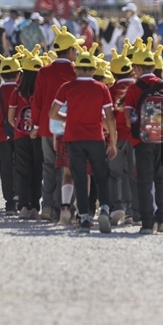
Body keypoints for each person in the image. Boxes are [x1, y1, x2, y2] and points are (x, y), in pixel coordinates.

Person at [49, 46, 117, 233]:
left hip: (74, 138)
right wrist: (113, 141)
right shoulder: (102, 88)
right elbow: (110, 117)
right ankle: (104, 208)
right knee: (101, 175)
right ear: (94, 70)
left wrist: (68, 118)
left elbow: (52, 113)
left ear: (76, 69)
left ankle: (84, 218)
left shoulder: (67, 87)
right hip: (96, 137)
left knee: (79, 177)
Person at [123, 41, 163, 233]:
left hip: (143, 141)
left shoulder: (133, 89)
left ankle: (147, 224)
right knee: (162, 180)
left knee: (145, 180)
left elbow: (128, 118)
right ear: (154, 66)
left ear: (137, 68)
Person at [32, 26, 82, 221]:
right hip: (70, 127)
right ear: (70, 50)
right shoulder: (76, 71)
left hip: (47, 125)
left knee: (49, 166)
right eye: (75, 49)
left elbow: (37, 100)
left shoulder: (44, 71)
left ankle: (47, 207)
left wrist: (36, 125)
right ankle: (65, 207)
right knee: (68, 167)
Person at [10, 47, 44, 219]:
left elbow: (11, 117)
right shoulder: (42, 93)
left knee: (23, 170)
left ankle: (23, 206)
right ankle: (35, 207)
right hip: (38, 135)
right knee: (38, 171)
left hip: (20, 136)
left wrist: (20, 128)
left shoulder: (17, 92)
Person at [107, 46, 137, 226]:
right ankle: (132, 212)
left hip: (116, 136)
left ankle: (117, 206)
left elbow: (107, 116)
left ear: (112, 73)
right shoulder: (137, 87)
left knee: (114, 174)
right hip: (134, 137)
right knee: (132, 174)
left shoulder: (110, 90)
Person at [0, 52, 21, 214]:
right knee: (20, 165)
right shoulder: (21, 91)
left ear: (0, 75)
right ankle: (20, 196)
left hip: (2, 135)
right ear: (19, 74)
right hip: (20, 134)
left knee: (6, 167)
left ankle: (9, 201)